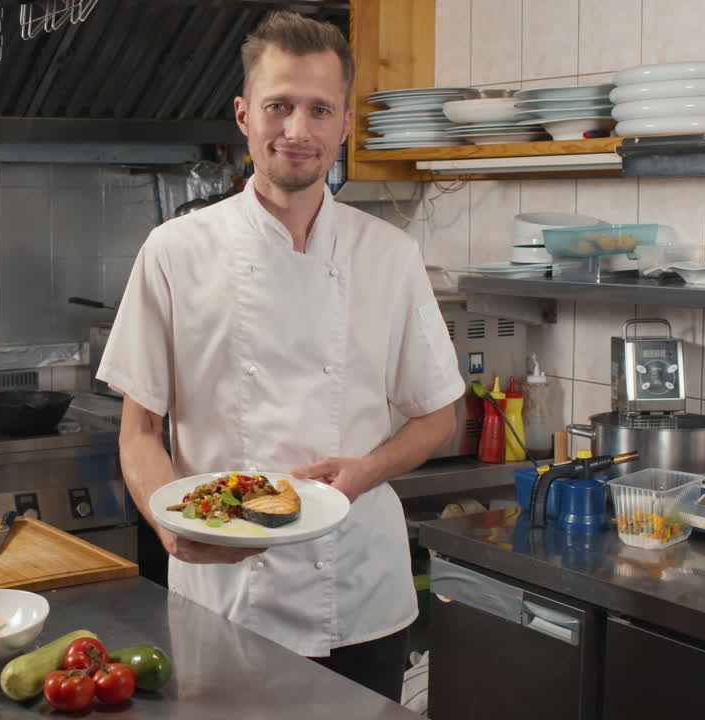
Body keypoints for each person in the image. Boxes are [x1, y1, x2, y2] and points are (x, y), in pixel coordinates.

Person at [96, 11, 465, 702]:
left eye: (319, 109)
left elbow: (437, 417)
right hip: (224, 596)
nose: (298, 130)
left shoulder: (390, 256)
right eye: (279, 106)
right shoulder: (175, 252)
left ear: (345, 124)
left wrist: (363, 472)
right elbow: (139, 431)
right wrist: (168, 530)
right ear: (243, 115)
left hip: (358, 596)